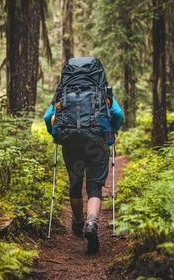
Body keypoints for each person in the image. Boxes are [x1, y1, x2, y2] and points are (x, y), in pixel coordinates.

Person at [43, 58, 124, 253]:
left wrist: (56, 135)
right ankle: (91, 223)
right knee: (95, 186)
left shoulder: (62, 92)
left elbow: (48, 117)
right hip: (96, 142)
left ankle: (78, 222)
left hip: (70, 143)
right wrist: (112, 130)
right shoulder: (103, 92)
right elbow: (118, 114)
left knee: (75, 184)